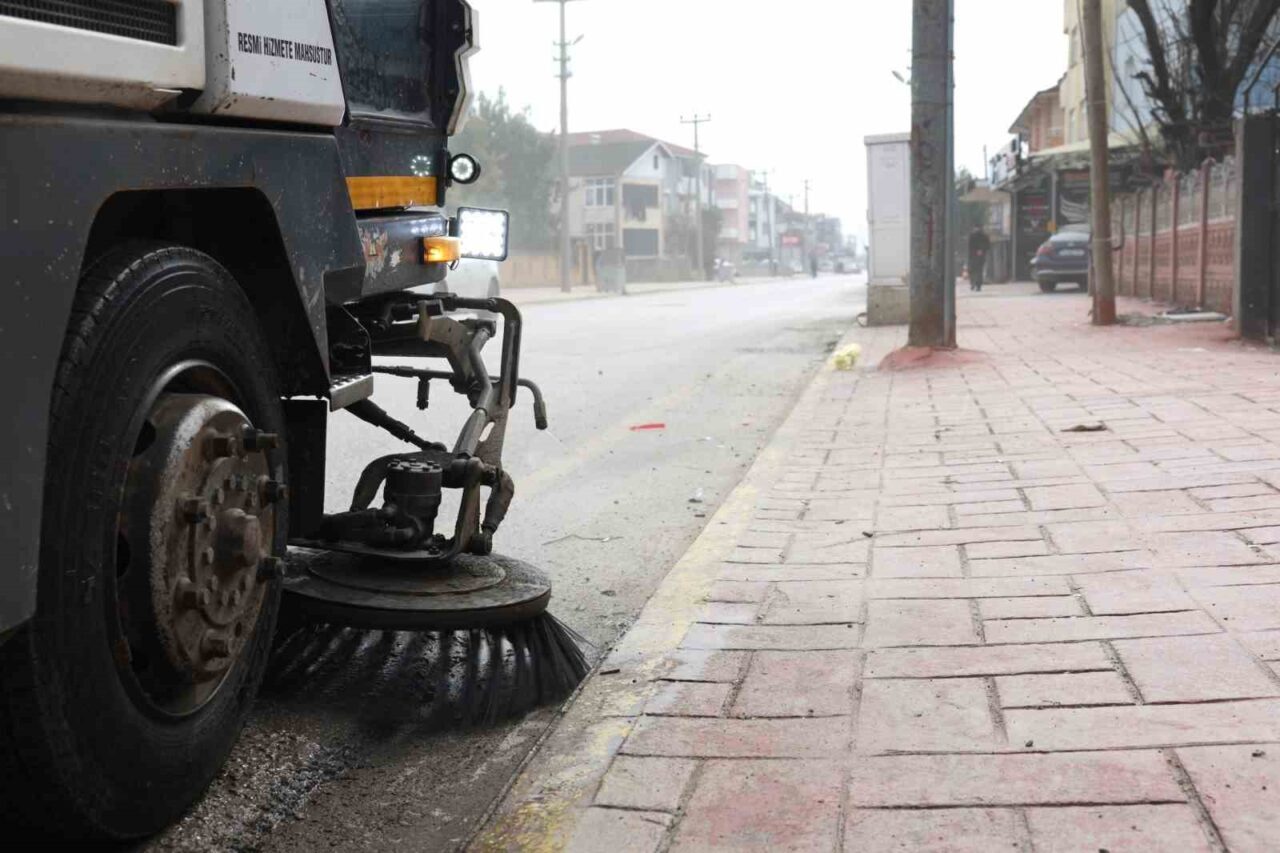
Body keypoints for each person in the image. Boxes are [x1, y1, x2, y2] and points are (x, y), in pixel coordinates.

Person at [967, 226, 990, 292]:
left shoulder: (972, 236)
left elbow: (969, 246)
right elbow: (988, 245)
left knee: (973, 270)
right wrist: (982, 250)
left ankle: (974, 283)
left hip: (973, 256)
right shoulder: (984, 236)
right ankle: (977, 285)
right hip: (979, 256)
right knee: (978, 270)